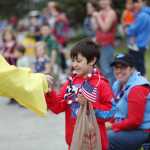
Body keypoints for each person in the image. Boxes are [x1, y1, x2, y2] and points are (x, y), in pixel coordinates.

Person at [45, 38, 114, 150]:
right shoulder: (71, 82)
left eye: (79, 61)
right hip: (74, 142)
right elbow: (57, 107)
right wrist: (48, 91)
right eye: (73, 61)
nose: (74, 65)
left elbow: (111, 113)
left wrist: (89, 105)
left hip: (94, 143)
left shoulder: (101, 83)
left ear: (92, 61)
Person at [107, 53, 150, 150]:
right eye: (116, 67)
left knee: (107, 138)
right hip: (129, 128)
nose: (118, 71)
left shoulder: (137, 88)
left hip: (143, 130)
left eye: (123, 67)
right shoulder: (117, 84)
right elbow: (115, 110)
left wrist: (112, 126)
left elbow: (135, 121)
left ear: (131, 69)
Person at [92, 0, 117, 85]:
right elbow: (95, 27)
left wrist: (98, 16)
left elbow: (105, 28)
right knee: (103, 70)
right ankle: (107, 91)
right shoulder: (100, 13)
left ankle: (112, 93)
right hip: (99, 45)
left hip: (107, 45)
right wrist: (94, 17)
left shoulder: (111, 13)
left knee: (108, 71)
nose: (102, 2)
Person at [126, 0, 150, 76]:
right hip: (141, 44)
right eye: (134, 2)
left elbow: (134, 29)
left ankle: (143, 85)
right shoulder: (142, 14)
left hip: (138, 45)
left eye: (138, 2)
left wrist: (127, 29)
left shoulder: (143, 15)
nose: (135, 4)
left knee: (138, 68)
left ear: (143, 2)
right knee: (139, 66)